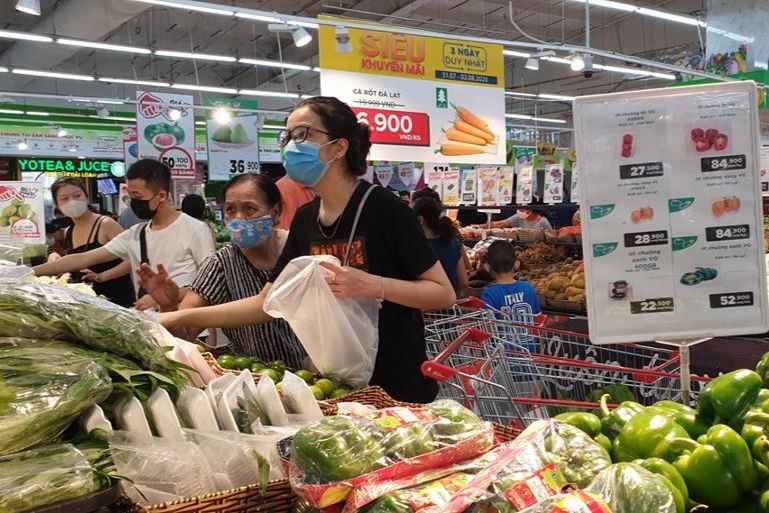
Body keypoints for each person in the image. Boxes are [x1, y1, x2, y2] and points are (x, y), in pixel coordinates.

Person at [148, 96, 455, 403]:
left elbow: (442, 292)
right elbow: (266, 303)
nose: (292, 145)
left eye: (303, 134)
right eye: (289, 136)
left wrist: (372, 285)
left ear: (338, 147)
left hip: (397, 382)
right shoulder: (306, 218)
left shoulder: (384, 209)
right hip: (337, 382)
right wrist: (176, 318)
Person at [137, 174, 306, 368]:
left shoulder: (298, 252)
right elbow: (185, 335)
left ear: (275, 212)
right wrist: (168, 306)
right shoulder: (221, 265)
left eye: (249, 209)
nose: (238, 219)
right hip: (258, 377)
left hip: (319, 374)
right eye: (230, 210)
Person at [34, 159, 216, 311]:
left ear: (161, 195)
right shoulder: (136, 234)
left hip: (188, 322)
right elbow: (83, 258)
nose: (132, 202)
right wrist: (28, 272)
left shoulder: (195, 229)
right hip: (150, 322)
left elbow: (212, 281)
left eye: (137, 195)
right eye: (130, 195)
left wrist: (163, 298)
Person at [45, 178, 135, 307]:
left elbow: (133, 258)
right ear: (57, 204)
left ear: (86, 197)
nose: (72, 201)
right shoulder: (68, 232)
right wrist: (54, 256)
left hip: (117, 297)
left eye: (77, 195)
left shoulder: (105, 224)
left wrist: (102, 276)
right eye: (64, 198)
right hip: (89, 302)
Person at [480, 240, 542, 350]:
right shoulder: (528, 288)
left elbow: (488, 328)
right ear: (516, 264)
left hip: (503, 355)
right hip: (529, 352)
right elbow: (538, 320)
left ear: (487, 267)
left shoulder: (488, 294)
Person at [412, 197, 468, 295]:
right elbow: (464, 282)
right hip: (450, 304)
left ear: (420, 219)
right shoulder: (452, 241)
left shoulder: (417, 248)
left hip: (426, 305)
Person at [487, 207, 552, 230]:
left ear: (529, 210)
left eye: (521, 209)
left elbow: (551, 238)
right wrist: (478, 226)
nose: (519, 211)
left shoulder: (543, 221)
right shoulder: (519, 217)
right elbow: (500, 224)